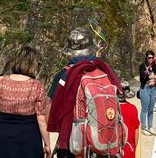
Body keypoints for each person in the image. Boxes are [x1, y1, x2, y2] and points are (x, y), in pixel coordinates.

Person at [47, 27, 121, 158]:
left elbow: (50, 111)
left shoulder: (63, 75)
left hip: (73, 143)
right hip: (102, 141)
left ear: (70, 52)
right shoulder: (105, 72)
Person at [0, 45, 51, 158]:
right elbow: (41, 119)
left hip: (2, 135)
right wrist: (47, 144)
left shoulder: (2, 82)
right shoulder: (36, 85)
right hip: (28, 137)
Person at [139, 50, 156, 135]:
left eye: (152, 58)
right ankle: (143, 127)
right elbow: (142, 78)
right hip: (145, 88)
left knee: (151, 109)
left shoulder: (154, 66)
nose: (151, 59)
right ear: (146, 57)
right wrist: (155, 77)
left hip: (153, 88)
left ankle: (150, 126)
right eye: (149, 57)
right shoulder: (142, 66)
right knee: (144, 109)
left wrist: (155, 81)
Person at [119, 82, 140, 158]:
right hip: (128, 149)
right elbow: (136, 132)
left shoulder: (109, 109)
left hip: (112, 150)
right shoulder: (132, 108)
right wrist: (134, 148)